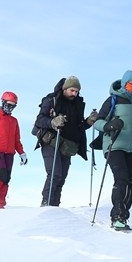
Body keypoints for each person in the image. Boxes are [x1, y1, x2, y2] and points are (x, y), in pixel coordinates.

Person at [91, 70, 132, 230]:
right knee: (122, 179)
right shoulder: (113, 99)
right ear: (126, 83)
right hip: (114, 145)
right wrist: (108, 126)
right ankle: (117, 216)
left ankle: (124, 217)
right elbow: (98, 122)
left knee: (131, 183)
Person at [32, 76, 97, 206]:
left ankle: (55, 206)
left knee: (61, 177)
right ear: (65, 88)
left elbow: (78, 127)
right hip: (51, 141)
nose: (75, 94)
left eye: (77, 91)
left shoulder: (78, 104)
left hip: (67, 146)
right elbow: (39, 120)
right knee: (55, 174)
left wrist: (88, 122)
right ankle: (46, 203)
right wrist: (52, 122)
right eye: (72, 90)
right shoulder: (51, 99)